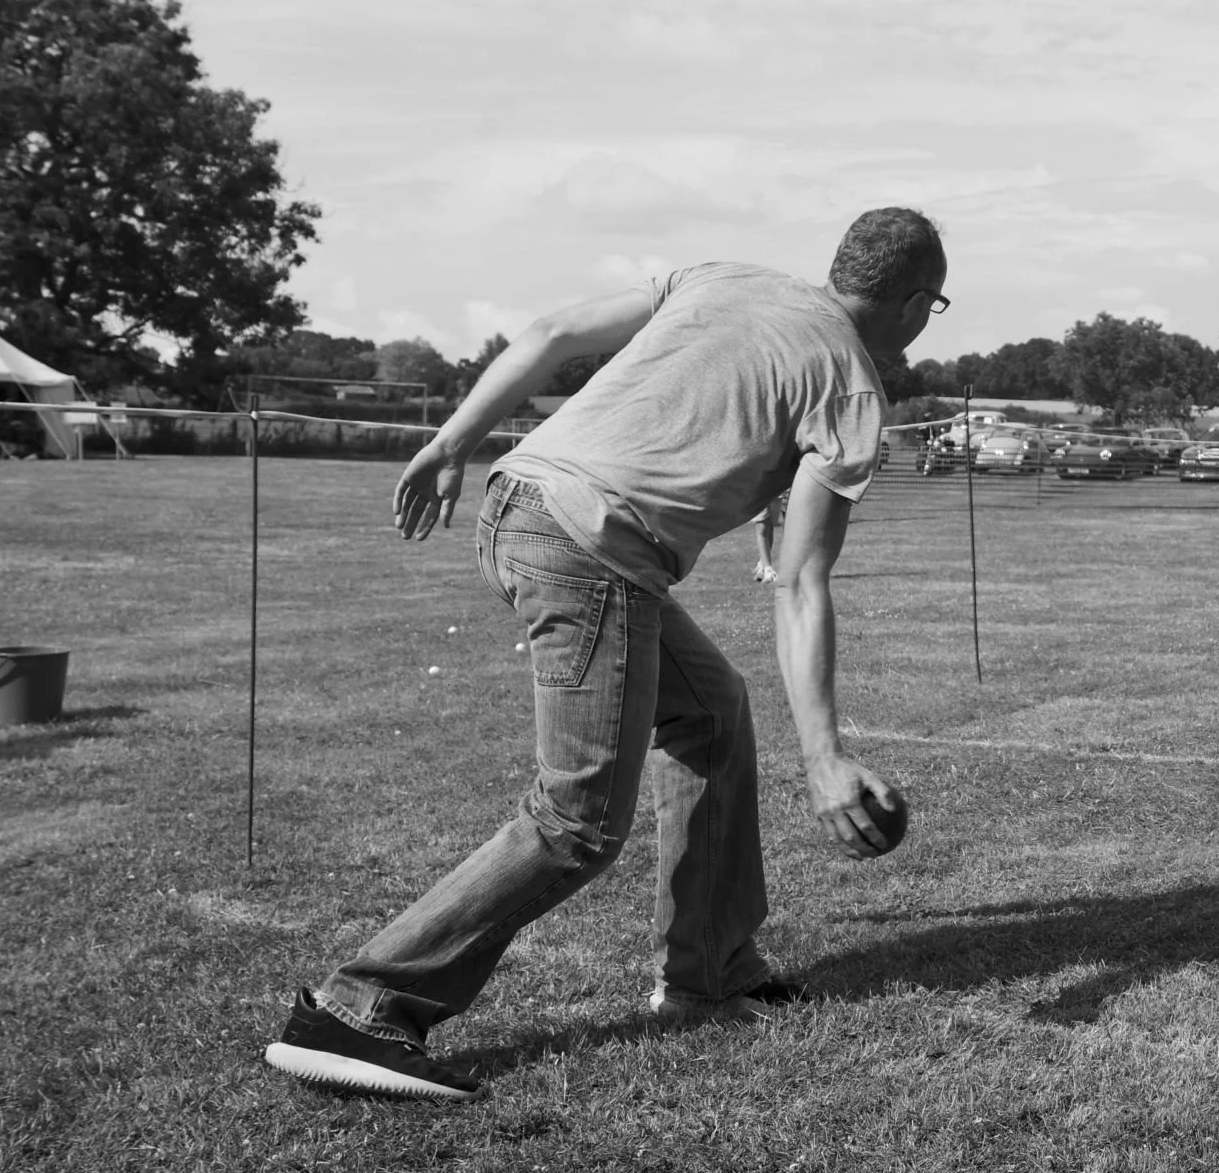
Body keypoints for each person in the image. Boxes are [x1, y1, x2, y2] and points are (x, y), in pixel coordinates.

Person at [263, 207, 949, 1101]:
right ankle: (359, 1006)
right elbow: (801, 580)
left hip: (521, 500)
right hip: (593, 547)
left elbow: (550, 333)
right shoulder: (851, 387)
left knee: (710, 712)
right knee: (576, 820)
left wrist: (452, 441)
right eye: (932, 308)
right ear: (909, 301)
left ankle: (707, 974)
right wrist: (824, 757)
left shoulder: (725, 277)